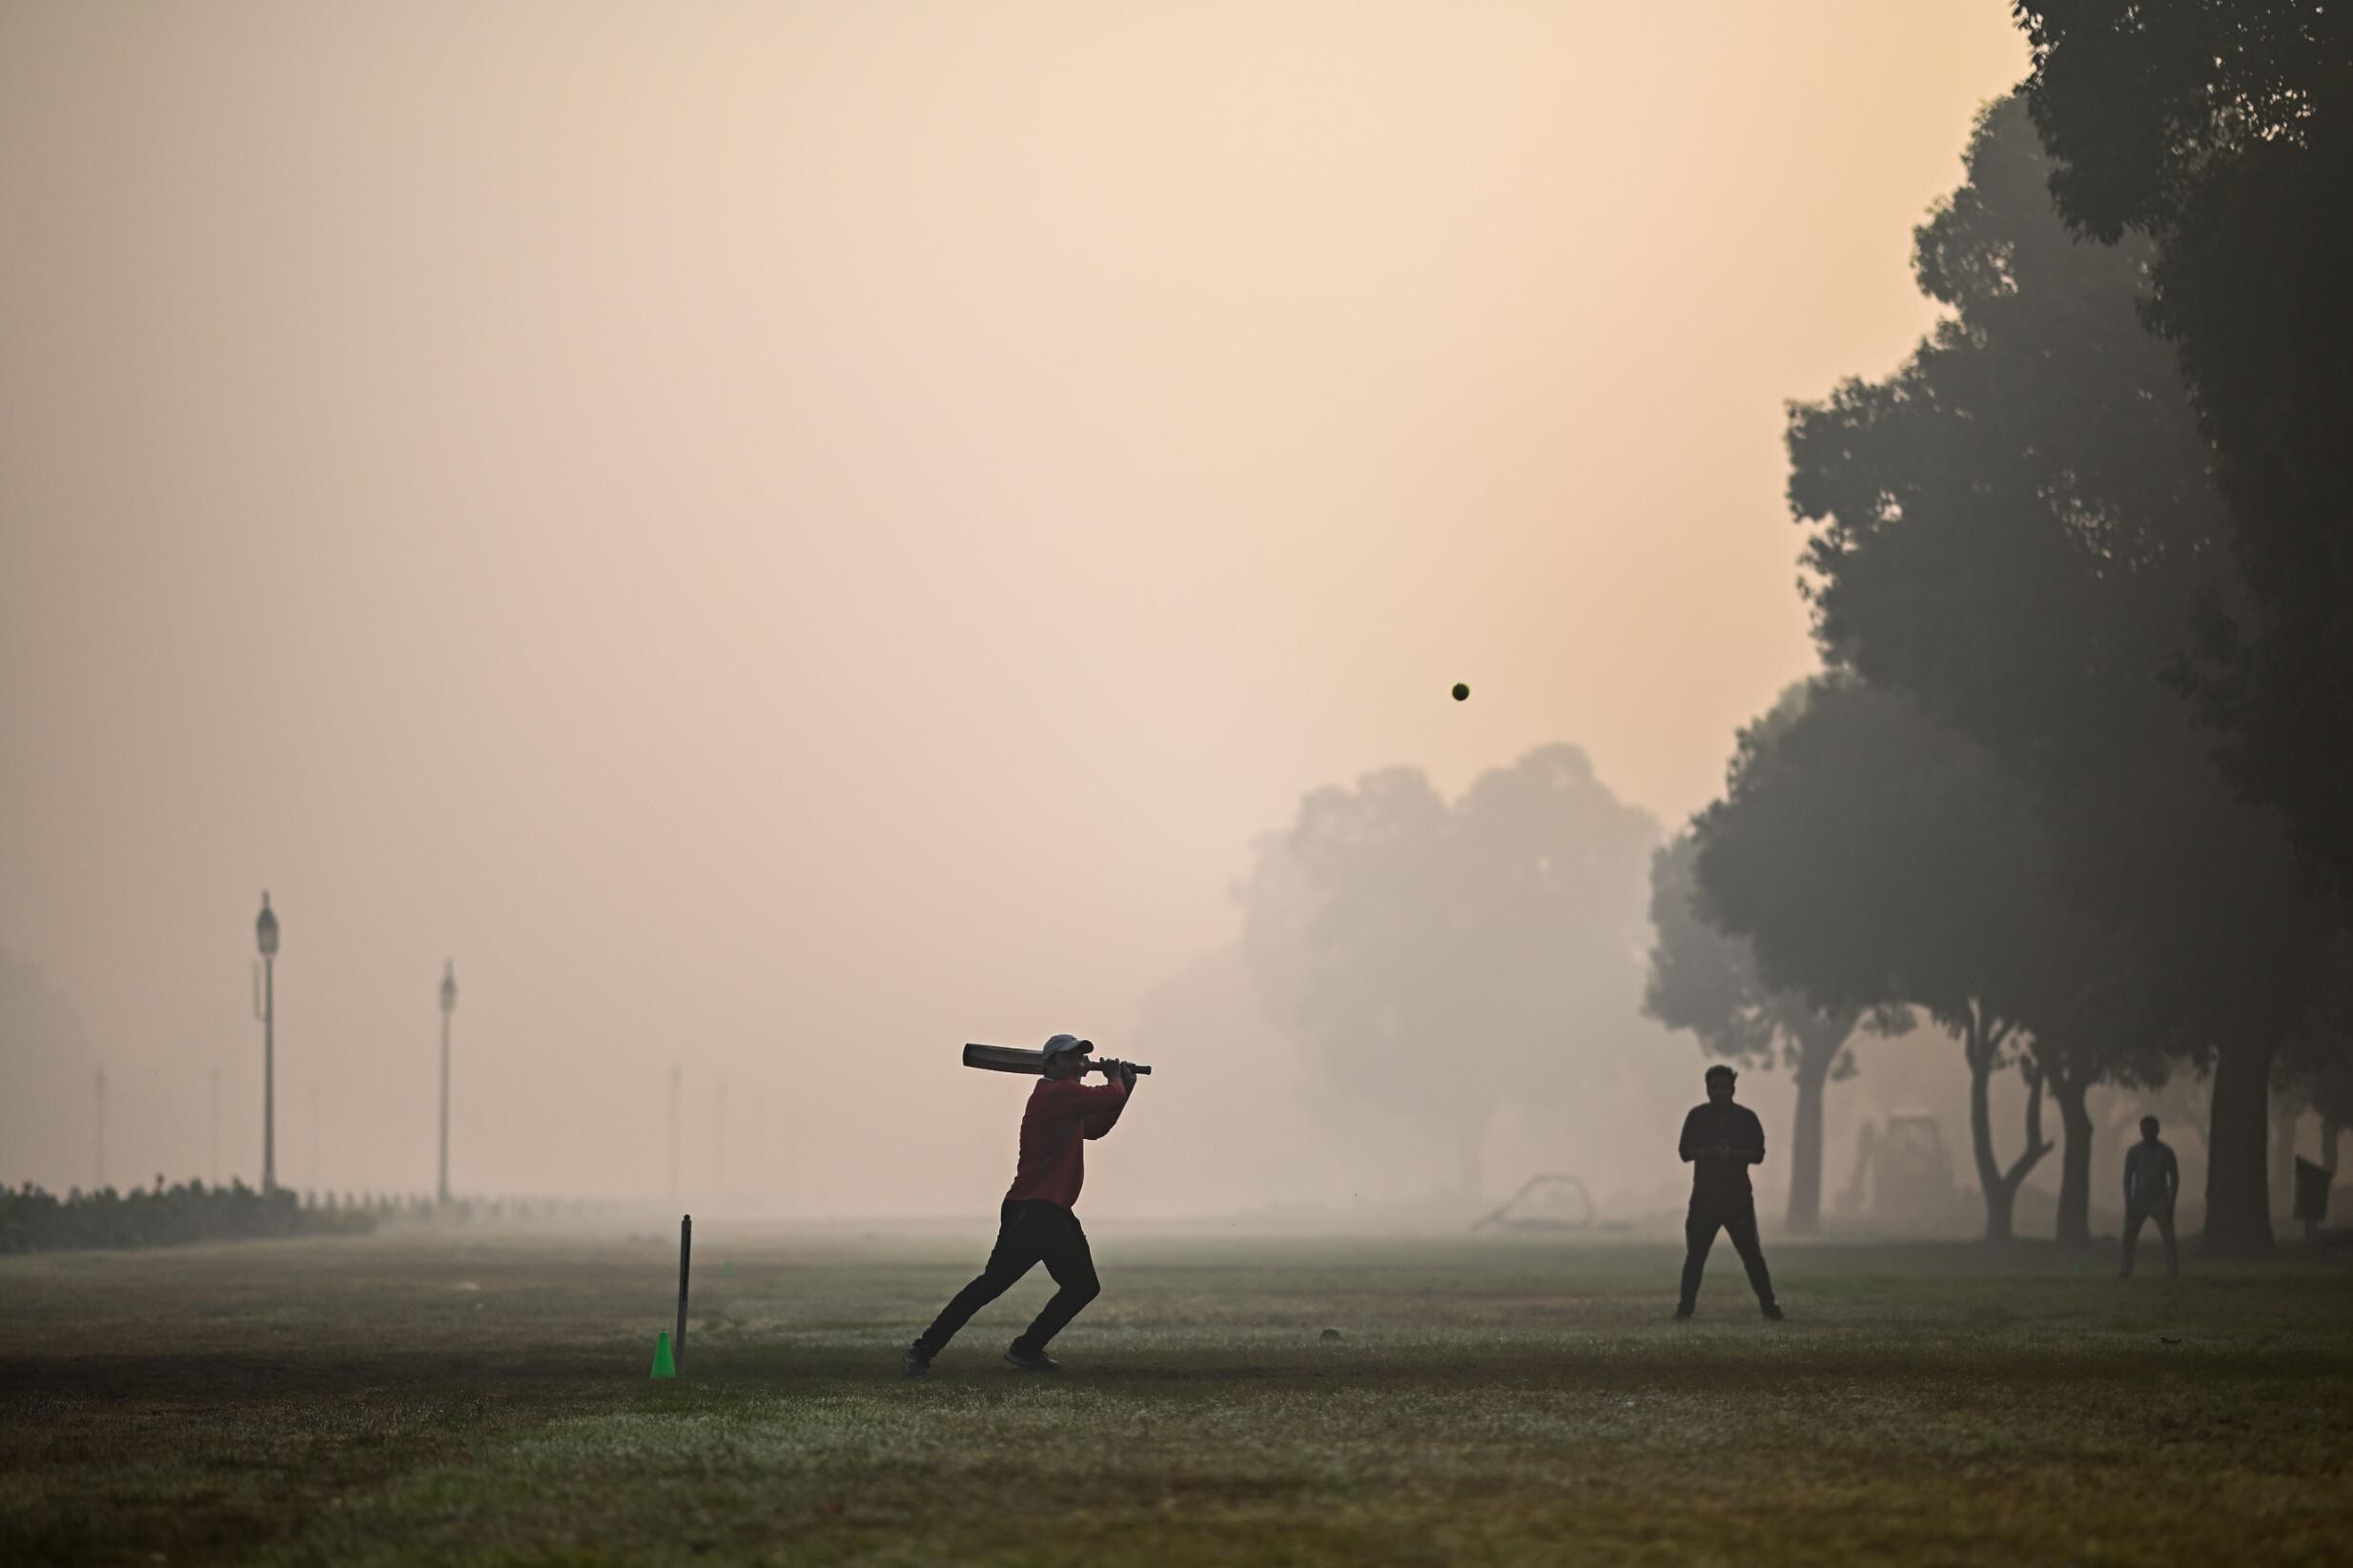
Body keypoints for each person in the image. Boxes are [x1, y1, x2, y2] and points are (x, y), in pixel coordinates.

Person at [905, 1033, 1137, 1375]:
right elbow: (1108, 1096)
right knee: (991, 1285)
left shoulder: (1067, 1099)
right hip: (1033, 1210)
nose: (1078, 1063)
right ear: (1051, 1064)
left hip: (1051, 1210)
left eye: (1080, 1057)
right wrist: (1117, 1078)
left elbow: (1097, 1128)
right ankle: (924, 1348)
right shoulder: (1054, 1092)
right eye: (1070, 1058)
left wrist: (1124, 1089)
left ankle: (1026, 1349)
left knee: (1081, 1286)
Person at [1675, 1064, 1783, 1321]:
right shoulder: (1697, 1117)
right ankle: (1685, 1308)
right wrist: (1713, 1152)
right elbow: (1684, 1152)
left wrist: (1731, 1154)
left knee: (1751, 1256)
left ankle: (1769, 1306)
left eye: (1724, 1086)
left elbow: (1758, 1155)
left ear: (1733, 1089)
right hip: (1705, 1199)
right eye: (1715, 1087)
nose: (1720, 1091)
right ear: (1707, 1090)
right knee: (1696, 1257)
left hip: (1737, 1199)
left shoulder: (1747, 1119)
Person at [2119, 1114, 2179, 1278]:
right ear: (2140, 1130)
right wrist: (2128, 1201)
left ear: (2157, 1130)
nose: (2147, 1132)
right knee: (2128, 1237)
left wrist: (2170, 1201)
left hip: (2160, 1200)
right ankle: (2126, 1269)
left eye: (2150, 1129)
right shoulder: (2134, 1152)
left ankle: (2172, 1269)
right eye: (2144, 1129)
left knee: (2168, 1237)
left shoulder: (2166, 1152)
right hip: (2138, 1200)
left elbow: (2174, 1178)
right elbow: (2127, 1178)